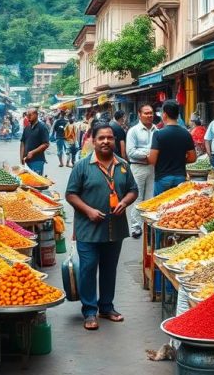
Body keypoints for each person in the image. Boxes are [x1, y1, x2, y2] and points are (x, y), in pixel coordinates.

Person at [65, 121, 138, 331]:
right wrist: (88, 211)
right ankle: (89, 311)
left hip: (114, 229)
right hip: (88, 229)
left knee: (109, 269)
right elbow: (70, 194)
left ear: (114, 140)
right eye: (101, 138)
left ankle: (106, 307)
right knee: (88, 269)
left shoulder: (123, 165)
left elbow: (133, 190)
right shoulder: (82, 166)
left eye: (109, 137)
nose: (105, 141)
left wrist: (125, 202)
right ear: (93, 141)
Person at [148, 100, 196, 195]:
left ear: (164, 115)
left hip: (162, 178)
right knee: (178, 207)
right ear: (178, 115)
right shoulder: (186, 134)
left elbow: (152, 160)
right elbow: (192, 158)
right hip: (180, 178)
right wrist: (179, 159)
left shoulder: (158, 134)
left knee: (159, 207)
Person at [125, 104, 156, 238]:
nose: (149, 115)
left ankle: (148, 224)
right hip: (137, 168)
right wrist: (149, 154)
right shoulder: (133, 131)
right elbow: (130, 152)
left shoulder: (157, 130)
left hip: (152, 168)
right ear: (139, 114)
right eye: (146, 113)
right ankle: (136, 226)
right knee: (138, 197)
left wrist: (149, 155)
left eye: (151, 113)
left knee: (150, 197)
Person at [20, 107, 50, 175]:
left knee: (36, 182)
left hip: (37, 161)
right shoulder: (27, 128)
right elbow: (22, 143)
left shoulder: (42, 127)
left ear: (36, 115)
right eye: (27, 115)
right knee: (27, 182)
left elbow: (46, 144)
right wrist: (21, 157)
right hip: (27, 161)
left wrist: (32, 152)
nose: (28, 117)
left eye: (30, 115)